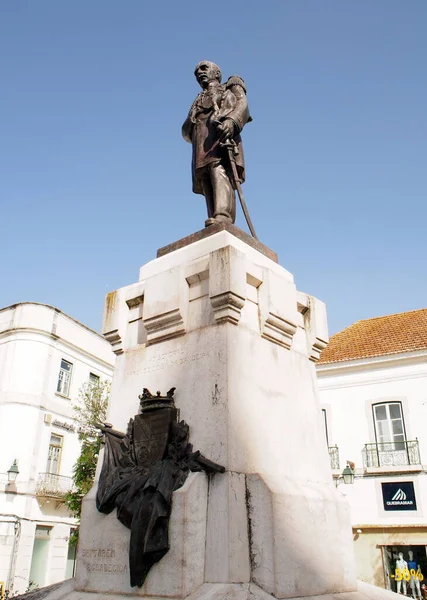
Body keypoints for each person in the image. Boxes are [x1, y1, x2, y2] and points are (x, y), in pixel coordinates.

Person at [182, 60, 251, 227]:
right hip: (201, 141)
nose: (199, 72)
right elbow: (185, 132)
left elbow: (243, 104)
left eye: (204, 68)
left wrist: (232, 121)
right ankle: (213, 216)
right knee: (205, 177)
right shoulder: (197, 100)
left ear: (217, 73)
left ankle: (223, 215)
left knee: (218, 170)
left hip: (219, 136)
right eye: (196, 71)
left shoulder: (229, 85)